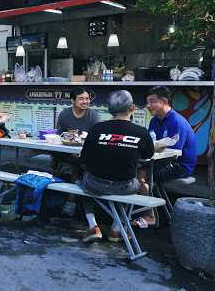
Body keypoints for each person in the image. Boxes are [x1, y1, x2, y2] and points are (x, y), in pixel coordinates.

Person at [79, 90, 154, 243]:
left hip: (95, 184)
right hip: (125, 186)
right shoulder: (141, 132)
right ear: (132, 107)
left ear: (110, 110)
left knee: (81, 182)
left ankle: (93, 226)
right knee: (135, 182)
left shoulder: (97, 129)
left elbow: (84, 159)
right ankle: (116, 230)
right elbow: (148, 155)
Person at [132, 86, 197, 228]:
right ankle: (142, 212)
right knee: (134, 171)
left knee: (140, 174)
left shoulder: (176, 121)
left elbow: (172, 154)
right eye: (147, 102)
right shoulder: (154, 120)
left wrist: (144, 165)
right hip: (159, 161)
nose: (148, 106)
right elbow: (149, 145)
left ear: (165, 101)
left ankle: (149, 216)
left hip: (179, 166)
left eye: (152, 101)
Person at [52, 87, 100, 216]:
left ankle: (72, 201)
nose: (85, 101)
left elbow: (95, 139)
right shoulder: (64, 114)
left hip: (86, 154)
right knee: (62, 159)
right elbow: (60, 136)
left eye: (87, 98)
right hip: (67, 152)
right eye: (81, 99)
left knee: (79, 166)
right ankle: (69, 200)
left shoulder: (93, 115)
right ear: (73, 101)